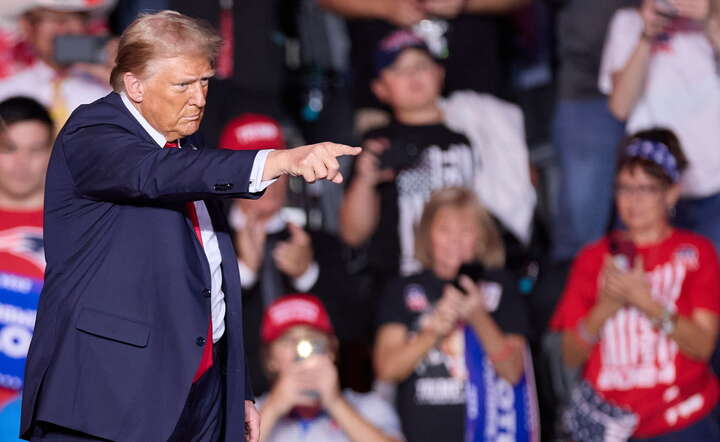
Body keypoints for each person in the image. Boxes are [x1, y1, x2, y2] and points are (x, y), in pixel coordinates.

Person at [20, 10, 360, 442]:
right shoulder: (93, 130)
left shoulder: (189, 149)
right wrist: (279, 158)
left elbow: (213, 277)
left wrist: (235, 390)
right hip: (107, 396)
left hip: (200, 395)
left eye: (204, 82)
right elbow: (152, 175)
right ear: (135, 85)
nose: (199, 98)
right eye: (183, 84)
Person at [551, 129, 720, 440]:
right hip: (612, 424)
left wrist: (649, 305)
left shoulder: (696, 252)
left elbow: (703, 346)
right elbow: (570, 355)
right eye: (625, 189)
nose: (634, 201)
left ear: (671, 193)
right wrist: (605, 308)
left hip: (682, 419)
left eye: (646, 189)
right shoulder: (593, 257)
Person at [340, 29, 535, 288]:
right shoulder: (377, 144)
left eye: (421, 65)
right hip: (404, 285)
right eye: (398, 69)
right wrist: (366, 180)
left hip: (476, 277)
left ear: (439, 74)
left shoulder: (476, 131)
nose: (412, 76)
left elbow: (514, 189)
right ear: (380, 88)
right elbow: (353, 234)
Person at [218, 113, 366, 395]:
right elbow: (192, 338)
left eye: (277, 163)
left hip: (315, 407)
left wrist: (308, 275)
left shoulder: (318, 243)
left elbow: (354, 332)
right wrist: (244, 274)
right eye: (257, 165)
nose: (272, 178)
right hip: (235, 404)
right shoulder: (207, 239)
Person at [374, 187, 536, 442]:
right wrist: (432, 333)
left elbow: (513, 371)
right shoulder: (404, 289)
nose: (455, 241)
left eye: (466, 231)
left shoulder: (500, 287)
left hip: (490, 432)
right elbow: (387, 370)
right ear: (427, 236)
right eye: (444, 230)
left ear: (481, 239)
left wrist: (478, 316)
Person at [600, 0, 720, 252]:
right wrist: (646, 36)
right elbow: (620, 106)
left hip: (713, 183)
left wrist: (712, 17)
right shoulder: (627, 23)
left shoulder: (712, 17)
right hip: (651, 189)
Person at [316, 0, 529, 133]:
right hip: (385, 99)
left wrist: (465, 3)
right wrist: (383, 5)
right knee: (391, 189)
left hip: (478, 90)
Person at [549, 0, 635, 262]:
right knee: (580, 226)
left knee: (647, 218)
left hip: (669, 82)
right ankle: (578, 298)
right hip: (587, 90)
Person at [256, 294, 404, 442]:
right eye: (288, 340)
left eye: (312, 338)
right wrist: (273, 408)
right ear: (270, 358)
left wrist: (335, 403)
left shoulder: (370, 407)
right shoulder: (249, 411)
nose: (299, 351)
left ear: (331, 349)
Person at [0, 97, 53, 442]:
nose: (22, 164)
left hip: (42, 414)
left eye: (35, 150)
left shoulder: (78, 224)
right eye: (9, 148)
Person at [0, 0, 116, 129]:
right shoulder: (5, 92)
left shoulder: (112, 89)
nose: (63, 29)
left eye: (73, 18)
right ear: (28, 28)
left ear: (87, 25)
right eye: (52, 19)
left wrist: (117, 79)